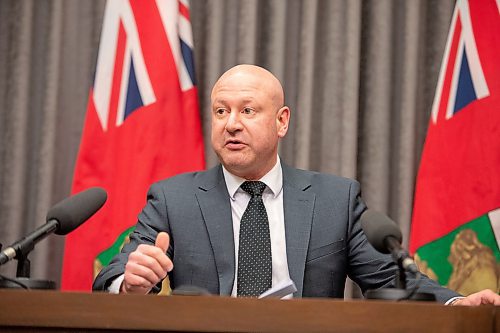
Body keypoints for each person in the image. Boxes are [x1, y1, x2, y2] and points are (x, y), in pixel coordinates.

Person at [93, 64, 499, 305]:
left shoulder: (334, 200)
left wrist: (457, 302)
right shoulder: (173, 199)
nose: (231, 123)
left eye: (248, 110)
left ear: (281, 121)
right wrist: (129, 283)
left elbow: (389, 280)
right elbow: (110, 278)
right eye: (221, 111)